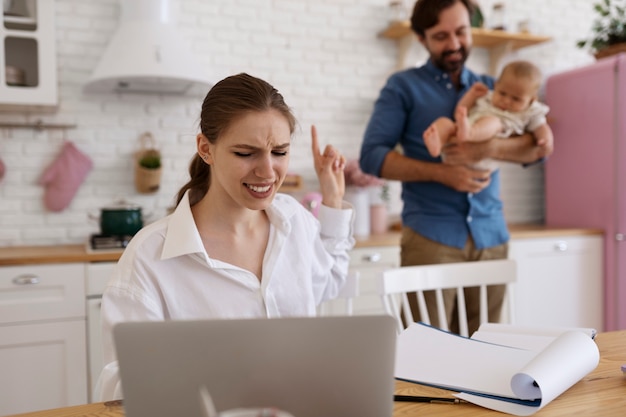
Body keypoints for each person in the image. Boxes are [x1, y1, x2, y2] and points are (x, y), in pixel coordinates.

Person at [95, 73, 354, 401]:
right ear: (206, 149)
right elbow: (120, 385)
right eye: (246, 153)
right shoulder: (150, 256)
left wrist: (332, 201)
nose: (267, 171)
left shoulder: (294, 220)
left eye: (280, 152)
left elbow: (327, 280)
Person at [359, 0, 553, 335]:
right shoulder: (403, 87)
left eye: (461, 32)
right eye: (441, 36)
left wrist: (490, 147)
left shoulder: (497, 88)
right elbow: (372, 156)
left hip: (492, 237)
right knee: (425, 357)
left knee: (487, 351)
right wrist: (443, 172)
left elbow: (538, 149)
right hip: (432, 239)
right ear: (421, 38)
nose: (454, 44)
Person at [423, 60, 553, 160]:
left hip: (493, 134)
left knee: (493, 121)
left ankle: (470, 133)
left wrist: (545, 140)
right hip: (464, 129)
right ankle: (437, 144)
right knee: (445, 122)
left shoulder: (531, 111)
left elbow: (541, 127)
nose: (506, 101)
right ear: (496, 85)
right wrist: (470, 96)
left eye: (516, 99)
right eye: (502, 93)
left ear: (531, 100)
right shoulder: (487, 96)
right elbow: (460, 111)